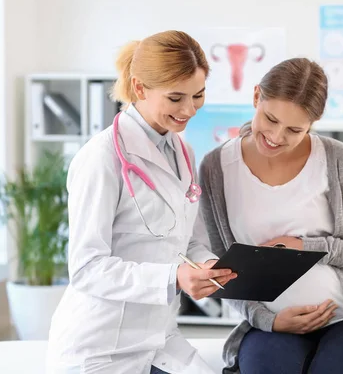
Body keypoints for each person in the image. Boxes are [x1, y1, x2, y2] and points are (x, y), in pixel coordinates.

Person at [196, 57, 343, 374]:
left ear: (313, 123)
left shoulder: (337, 159)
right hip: (272, 324)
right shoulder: (217, 167)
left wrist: (304, 247)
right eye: (270, 119)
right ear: (256, 97)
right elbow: (222, 271)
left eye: (295, 129)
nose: (277, 136)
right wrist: (269, 320)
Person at [46, 30, 237, 374]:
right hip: (100, 346)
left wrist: (208, 266)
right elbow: (86, 268)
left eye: (198, 95)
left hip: (158, 338)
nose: (189, 110)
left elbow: (185, 239)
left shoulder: (182, 150)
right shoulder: (101, 158)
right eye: (176, 98)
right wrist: (174, 278)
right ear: (139, 88)